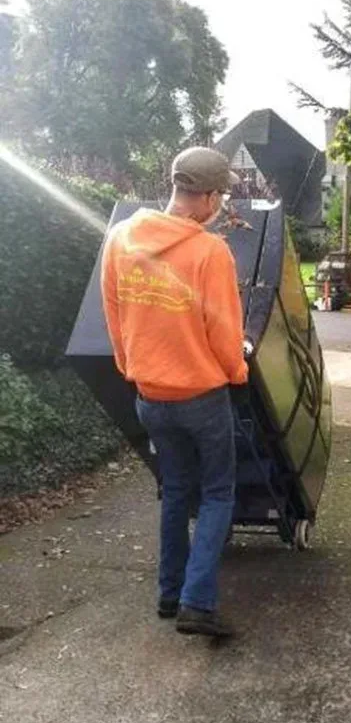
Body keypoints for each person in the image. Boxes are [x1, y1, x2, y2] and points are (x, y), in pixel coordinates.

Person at [101, 147, 248, 637]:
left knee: (176, 491)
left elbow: (113, 314)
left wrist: (131, 367)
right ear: (206, 196)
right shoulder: (210, 252)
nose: (221, 204)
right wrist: (237, 373)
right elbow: (225, 331)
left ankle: (168, 594)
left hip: (151, 397)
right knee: (218, 493)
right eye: (220, 195)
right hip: (202, 398)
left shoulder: (121, 238)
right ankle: (197, 604)